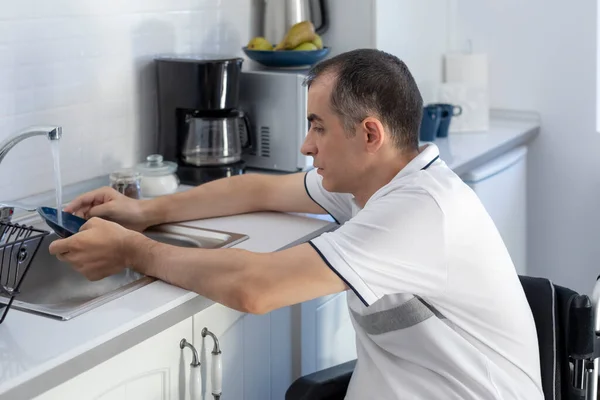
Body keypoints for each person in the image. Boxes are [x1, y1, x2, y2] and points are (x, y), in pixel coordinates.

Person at [49, 49, 543, 399]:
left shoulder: (419, 213)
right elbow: (259, 187)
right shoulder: (375, 185)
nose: (306, 145)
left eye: (318, 126)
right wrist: (144, 212)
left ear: (370, 133)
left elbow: (255, 288)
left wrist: (133, 250)